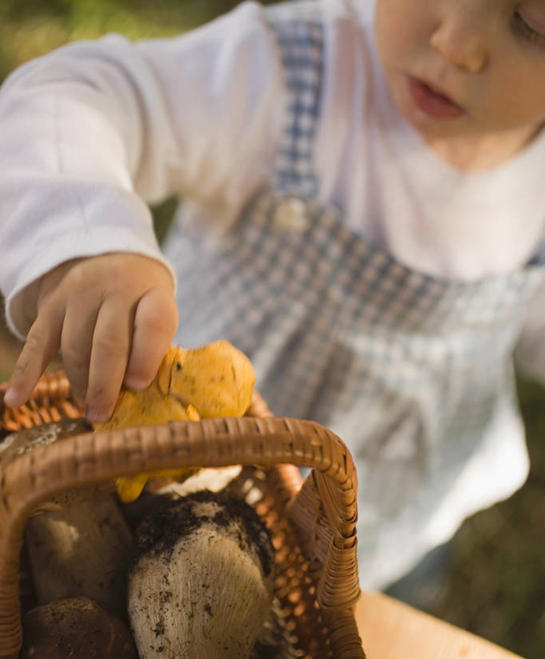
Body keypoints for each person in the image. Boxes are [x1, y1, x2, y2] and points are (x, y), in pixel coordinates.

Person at [1, 0, 545, 597]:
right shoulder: (290, 76)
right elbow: (70, 97)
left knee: (362, 601)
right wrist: (86, 235)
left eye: (533, 23)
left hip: (397, 503)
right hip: (187, 483)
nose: (456, 42)